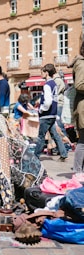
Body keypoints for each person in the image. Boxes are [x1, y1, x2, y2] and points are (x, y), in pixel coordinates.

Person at [34, 64, 68, 161]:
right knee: (55, 135)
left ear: (46, 73)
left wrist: (41, 109)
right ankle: (63, 153)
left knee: (41, 136)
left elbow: (48, 101)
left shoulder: (47, 85)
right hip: (52, 114)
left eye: (42, 72)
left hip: (46, 115)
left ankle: (35, 156)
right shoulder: (54, 84)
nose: (41, 74)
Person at [68, 41, 84, 172]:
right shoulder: (82, 63)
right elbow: (79, 85)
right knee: (83, 141)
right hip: (83, 107)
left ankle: (79, 171)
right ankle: (78, 172)